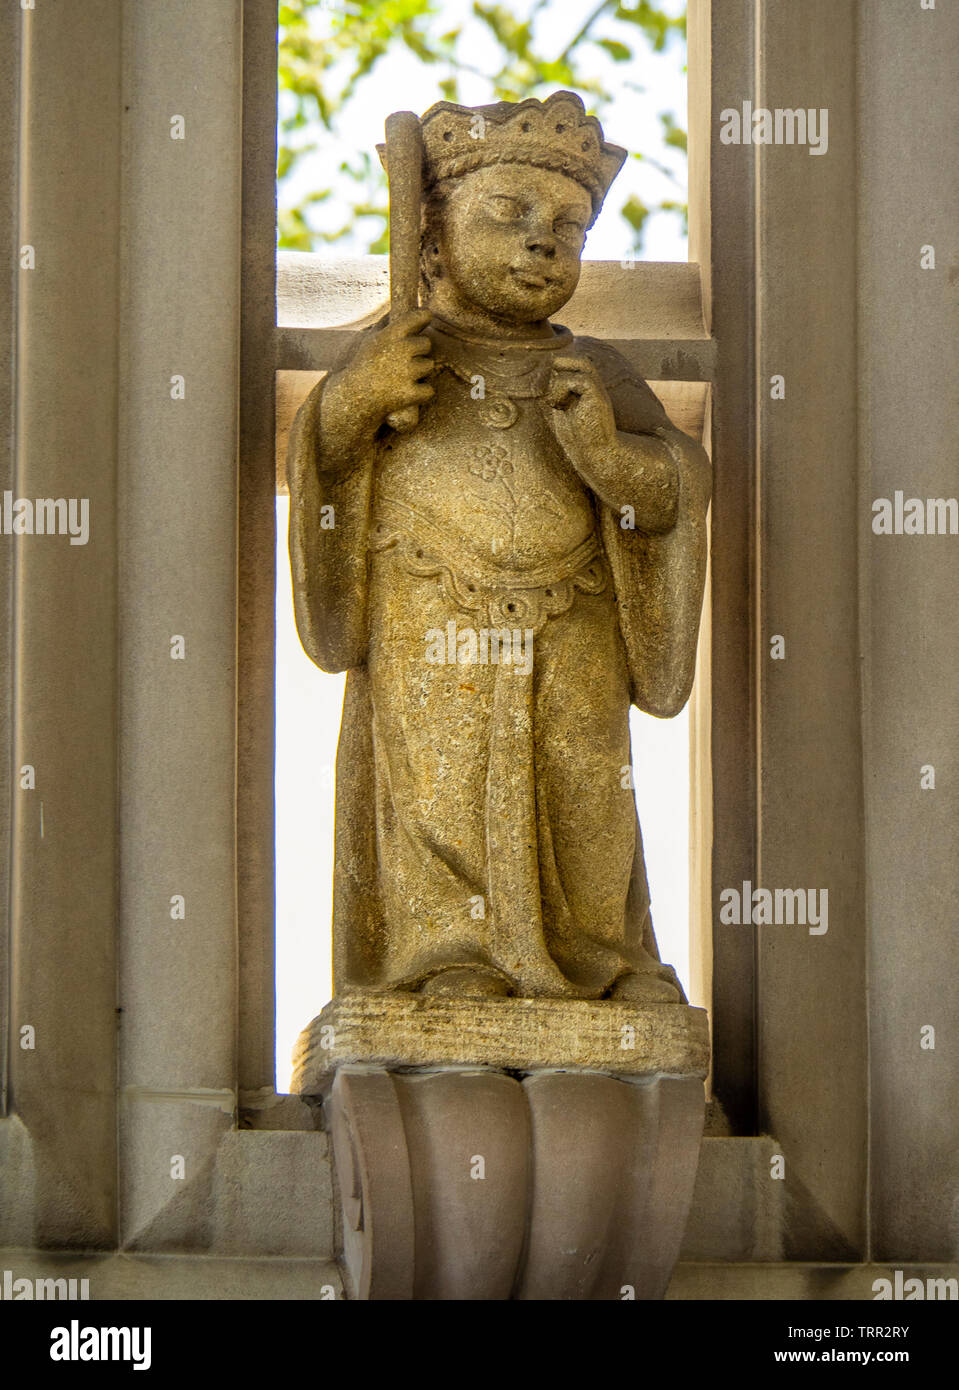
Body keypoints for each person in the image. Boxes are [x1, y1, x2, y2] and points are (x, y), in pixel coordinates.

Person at [287, 92, 710, 1003]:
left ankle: (602, 957)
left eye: (568, 225)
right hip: (428, 605)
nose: (541, 242)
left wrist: (607, 456)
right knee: (437, 780)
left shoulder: (596, 369)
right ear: (433, 240)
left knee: (586, 778)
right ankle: (449, 956)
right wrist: (355, 406)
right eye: (507, 214)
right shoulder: (395, 355)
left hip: (578, 614)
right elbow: (322, 456)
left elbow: (678, 484)